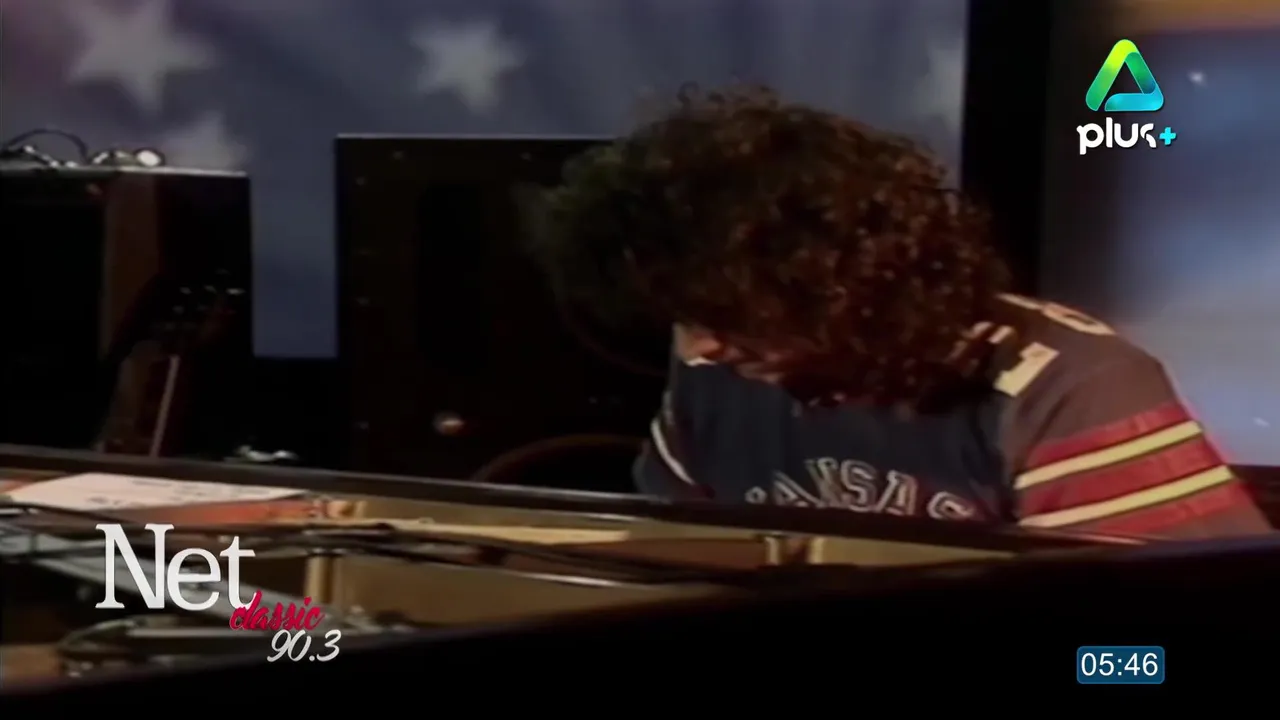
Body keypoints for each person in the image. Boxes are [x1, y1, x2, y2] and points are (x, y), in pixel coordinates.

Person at [533, 87, 1272, 540]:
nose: (699, 349)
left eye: (728, 318)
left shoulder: (1065, 386)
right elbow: (674, 569)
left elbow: (1156, 647)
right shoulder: (715, 370)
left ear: (845, 284)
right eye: (683, 316)